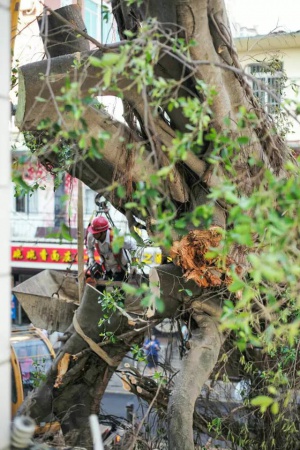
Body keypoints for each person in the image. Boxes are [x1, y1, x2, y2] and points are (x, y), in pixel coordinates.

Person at [86, 216, 137, 282]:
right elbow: (89, 248)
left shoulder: (117, 237)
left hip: (120, 267)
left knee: (120, 290)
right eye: (93, 232)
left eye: (96, 233)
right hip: (105, 267)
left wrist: (134, 264)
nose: (93, 234)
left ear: (103, 232)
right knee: (100, 288)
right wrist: (91, 259)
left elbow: (133, 245)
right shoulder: (91, 236)